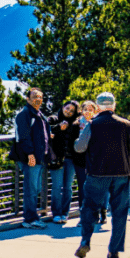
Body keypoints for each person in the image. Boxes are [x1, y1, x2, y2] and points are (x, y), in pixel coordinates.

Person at [73, 92, 130, 258]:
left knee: (89, 208)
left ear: (98, 106)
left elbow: (80, 147)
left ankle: (85, 241)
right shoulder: (126, 124)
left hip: (97, 172)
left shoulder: (92, 124)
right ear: (114, 106)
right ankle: (114, 250)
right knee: (120, 212)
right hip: (122, 173)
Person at [9, 88, 51, 229]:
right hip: (31, 158)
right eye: (34, 96)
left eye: (40, 97)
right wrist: (30, 154)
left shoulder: (38, 114)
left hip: (39, 158)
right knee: (31, 188)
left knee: (36, 187)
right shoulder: (25, 115)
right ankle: (30, 219)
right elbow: (23, 136)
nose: (38, 99)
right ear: (28, 99)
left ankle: (32, 217)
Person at [75, 101, 108, 228]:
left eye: (90, 109)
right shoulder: (77, 124)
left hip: (98, 161)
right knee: (83, 189)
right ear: (81, 111)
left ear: (95, 111)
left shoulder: (99, 123)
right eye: (85, 109)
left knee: (101, 188)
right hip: (81, 161)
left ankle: (102, 212)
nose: (88, 112)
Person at [47, 101, 79, 223]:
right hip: (56, 158)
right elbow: (45, 132)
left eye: (72, 111)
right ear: (62, 107)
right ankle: (56, 213)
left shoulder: (76, 123)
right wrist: (58, 128)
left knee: (67, 187)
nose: (69, 112)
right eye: (67, 108)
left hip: (71, 159)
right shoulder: (53, 119)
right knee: (56, 186)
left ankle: (65, 213)